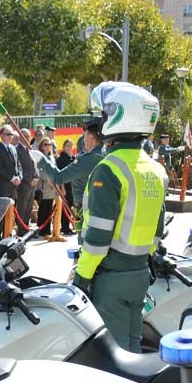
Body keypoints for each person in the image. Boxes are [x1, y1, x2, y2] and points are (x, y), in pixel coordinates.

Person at [74, 82, 167, 353]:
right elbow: (158, 228)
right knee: (133, 346)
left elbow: (98, 239)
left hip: (110, 277)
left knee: (113, 356)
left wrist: (81, 279)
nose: (100, 122)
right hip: (140, 273)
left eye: (104, 115)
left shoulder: (109, 169)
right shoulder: (156, 169)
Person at [37, 119, 104, 236]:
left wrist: (41, 161)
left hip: (86, 210)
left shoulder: (86, 160)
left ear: (91, 138)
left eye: (84, 136)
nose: (83, 140)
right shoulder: (106, 153)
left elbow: (58, 177)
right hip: (103, 208)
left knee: (86, 242)